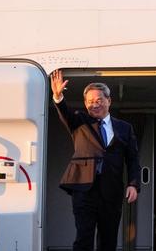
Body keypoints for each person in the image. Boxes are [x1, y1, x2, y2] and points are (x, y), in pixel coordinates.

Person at [50, 69, 140, 251]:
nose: (94, 105)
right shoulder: (79, 121)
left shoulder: (124, 128)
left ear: (109, 101)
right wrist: (58, 97)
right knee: (84, 237)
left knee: (108, 241)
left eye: (99, 100)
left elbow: (132, 159)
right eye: (90, 102)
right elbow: (64, 113)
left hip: (111, 191)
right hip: (84, 189)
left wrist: (133, 184)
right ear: (85, 103)